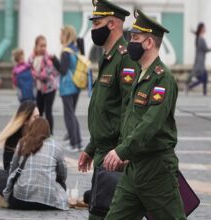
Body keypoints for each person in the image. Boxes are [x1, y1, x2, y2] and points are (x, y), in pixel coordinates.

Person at [102, 9, 186, 219]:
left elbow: (151, 123)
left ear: (148, 43)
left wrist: (122, 150)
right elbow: (131, 119)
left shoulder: (162, 79)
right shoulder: (141, 73)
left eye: (135, 38)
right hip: (133, 167)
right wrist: (124, 152)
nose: (130, 42)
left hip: (156, 170)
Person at [77, 0, 140, 219]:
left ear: (112, 24)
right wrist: (91, 147)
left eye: (97, 24)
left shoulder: (125, 58)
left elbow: (129, 109)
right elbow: (105, 109)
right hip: (103, 152)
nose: (93, 29)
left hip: (115, 154)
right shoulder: (108, 57)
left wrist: (123, 150)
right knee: (102, 211)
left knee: (105, 214)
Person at [3, 118, 68, 210]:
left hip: (20, 201)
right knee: (62, 185)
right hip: (49, 202)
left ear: (31, 128)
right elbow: (63, 175)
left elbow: (13, 169)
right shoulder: (56, 146)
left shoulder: (22, 142)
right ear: (48, 130)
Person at [0, 101, 39, 195]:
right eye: (35, 117)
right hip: (19, 179)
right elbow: (8, 167)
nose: (38, 120)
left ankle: (1, 191)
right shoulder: (13, 138)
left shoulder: (39, 135)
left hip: (35, 179)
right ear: (25, 120)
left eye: (39, 116)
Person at [59, 25, 82, 152]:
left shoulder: (66, 51)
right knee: (72, 114)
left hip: (67, 86)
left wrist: (54, 61)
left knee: (69, 115)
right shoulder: (75, 49)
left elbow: (62, 70)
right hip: (76, 85)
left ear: (65, 35)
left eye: (61, 34)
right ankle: (78, 142)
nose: (60, 37)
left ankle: (74, 143)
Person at [29, 35, 59, 134]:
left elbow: (46, 74)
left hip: (50, 87)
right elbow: (28, 70)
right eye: (41, 46)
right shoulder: (31, 58)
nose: (43, 48)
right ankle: (39, 132)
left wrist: (35, 74)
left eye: (45, 46)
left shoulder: (48, 57)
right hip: (39, 88)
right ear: (36, 46)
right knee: (39, 111)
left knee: (48, 110)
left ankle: (50, 133)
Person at [185, 22, 211, 96]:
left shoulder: (198, 37)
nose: (205, 29)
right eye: (204, 27)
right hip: (200, 62)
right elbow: (205, 49)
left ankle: (204, 93)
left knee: (205, 77)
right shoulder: (201, 39)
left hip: (200, 61)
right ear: (201, 29)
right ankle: (189, 86)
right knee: (202, 79)